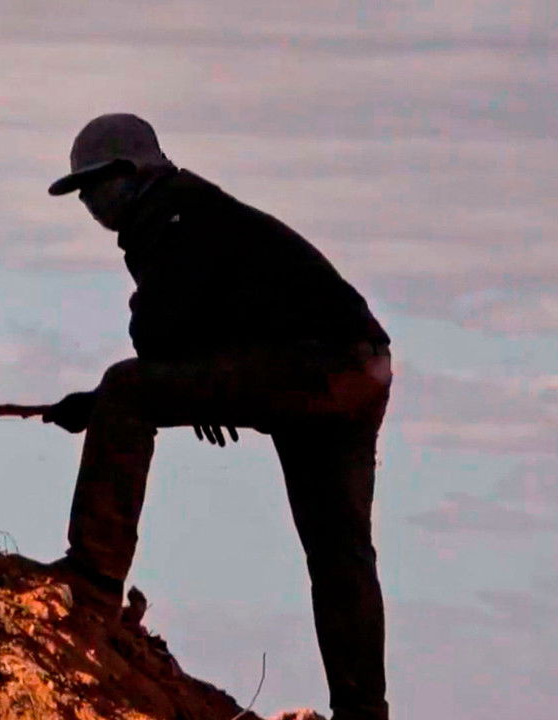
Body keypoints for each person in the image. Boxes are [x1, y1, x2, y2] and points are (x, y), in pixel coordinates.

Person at [41, 113, 392, 720]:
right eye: (82, 192)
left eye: (95, 185)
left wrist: (105, 405)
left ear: (130, 173)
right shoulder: (191, 211)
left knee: (124, 389)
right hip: (359, 368)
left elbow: (157, 334)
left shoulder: (174, 217)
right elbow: (203, 328)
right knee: (340, 555)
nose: (90, 202)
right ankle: (364, 714)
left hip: (317, 367)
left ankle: (93, 579)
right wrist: (204, 383)